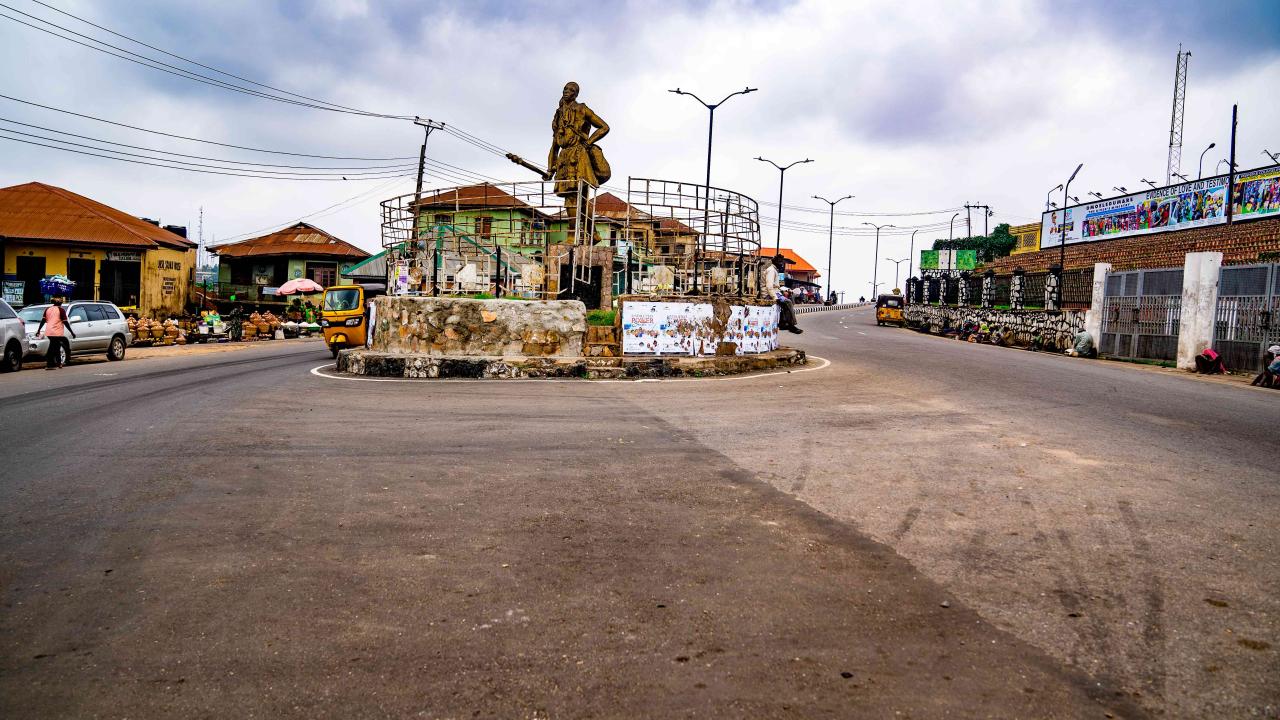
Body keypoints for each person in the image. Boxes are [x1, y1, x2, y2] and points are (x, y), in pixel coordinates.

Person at [36, 296, 76, 370]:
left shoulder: (48, 309)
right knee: (53, 347)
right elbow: (65, 322)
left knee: (56, 346)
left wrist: (38, 330)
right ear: (60, 303)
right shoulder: (61, 310)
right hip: (56, 332)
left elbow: (43, 321)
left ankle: (58, 363)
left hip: (49, 331)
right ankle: (49, 364)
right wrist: (72, 332)